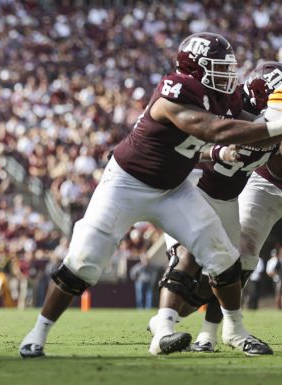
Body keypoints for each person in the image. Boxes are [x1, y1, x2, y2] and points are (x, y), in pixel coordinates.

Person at [19, 32, 282, 358]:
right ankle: (37, 333)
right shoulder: (175, 91)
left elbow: (246, 125)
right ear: (194, 68)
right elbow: (213, 131)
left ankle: (233, 330)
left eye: (228, 67)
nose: (228, 75)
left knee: (224, 257)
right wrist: (274, 127)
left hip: (174, 188)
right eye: (218, 67)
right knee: (83, 263)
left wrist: (269, 123)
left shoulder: (222, 97)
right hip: (127, 183)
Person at [148, 60, 282, 353]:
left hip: (227, 198)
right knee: (189, 255)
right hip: (195, 187)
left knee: (230, 267)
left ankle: (213, 329)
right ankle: (167, 329)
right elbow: (185, 142)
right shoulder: (230, 108)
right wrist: (218, 150)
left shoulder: (261, 117)